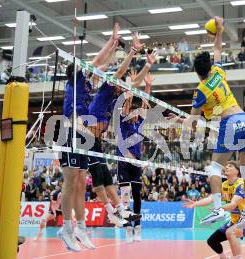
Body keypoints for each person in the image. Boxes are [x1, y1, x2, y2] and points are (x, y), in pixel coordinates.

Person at [168, 16, 245, 229]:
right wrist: (220, 30)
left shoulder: (201, 90)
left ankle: (217, 208)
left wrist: (180, 122)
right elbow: (217, 49)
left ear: (196, 72)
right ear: (209, 66)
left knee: (214, 168)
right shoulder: (218, 71)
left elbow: (193, 123)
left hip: (230, 122)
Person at [57, 23, 124, 252]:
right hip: (69, 130)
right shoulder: (75, 79)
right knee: (71, 181)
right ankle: (66, 228)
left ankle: (81, 228)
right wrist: (110, 40)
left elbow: (102, 66)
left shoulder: (85, 85)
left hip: (83, 133)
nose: (92, 72)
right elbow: (97, 62)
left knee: (79, 184)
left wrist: (115, 48)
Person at [86, 33, 154, 227]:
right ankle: (111, 213)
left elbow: (134, 84)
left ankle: (120, 211)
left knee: (106, 177)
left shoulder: (117, 101)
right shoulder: (107, 87)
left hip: (96, 141)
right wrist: (132, 51)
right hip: (85, 137)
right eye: (122, 86)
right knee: (98, 176)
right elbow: (122, 71)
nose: (125, 89)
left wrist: (148, 65)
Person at [183, 162, 245, 259]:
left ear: (237, 171)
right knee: (212, 241)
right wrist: (195, 204)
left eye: (230, 166)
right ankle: (223, 257)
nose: (227, 167)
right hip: (234, 221)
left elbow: (233, 205)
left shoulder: (241, 184)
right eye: (226, 166)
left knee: (230, 232)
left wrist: (220, 208)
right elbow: (210, 199)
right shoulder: (223, 185)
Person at [117, 72, 153, 243]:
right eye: (134, 112)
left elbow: (145, 105)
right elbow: (127, 104)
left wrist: (148, 86)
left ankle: (137, 227)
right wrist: (130, 88)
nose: (137, 115)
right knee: (125, 197)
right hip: (123, 162)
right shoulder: (123, 123)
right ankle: (127, 229)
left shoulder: (140, 124)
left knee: (137, 195)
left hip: (136, 163)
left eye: (138, 113)